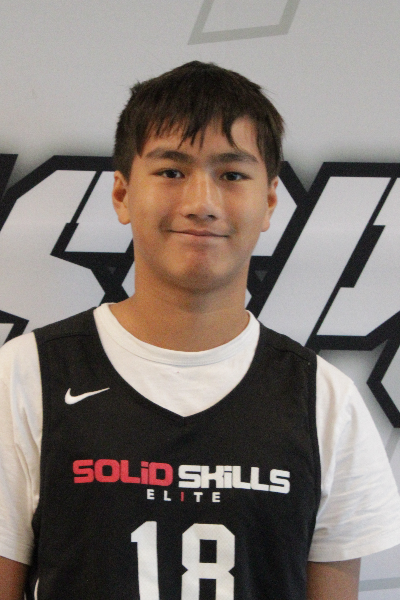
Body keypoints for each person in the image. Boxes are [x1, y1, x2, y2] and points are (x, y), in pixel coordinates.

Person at [0, 61, 400, 600]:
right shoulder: (23, 377)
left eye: (232, 175)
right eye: (171, 171)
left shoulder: (325, 401)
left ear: (269, 202)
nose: (201, 204)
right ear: (122, 194)